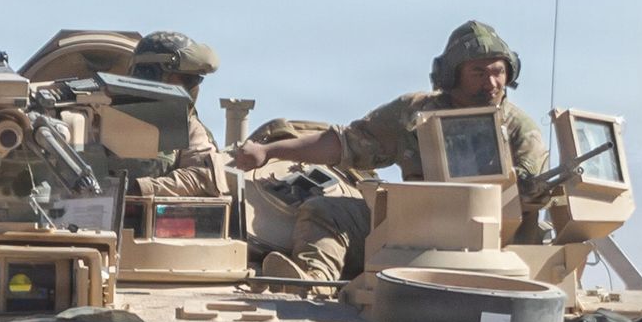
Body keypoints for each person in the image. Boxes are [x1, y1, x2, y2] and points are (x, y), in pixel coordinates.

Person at [234, 20, 549, 280]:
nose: (492, 83)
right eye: (479, 73)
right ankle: (313, 282)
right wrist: (271, 151)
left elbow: (527, 191)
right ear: (452, 76)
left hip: (486, 251)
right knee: (325, 210)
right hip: (412, 231)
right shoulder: (414, 112)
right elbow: (343, 144)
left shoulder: (520, 129)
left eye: (498, 71)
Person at [125, 31, 226, 198]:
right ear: (151, 74)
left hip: (151, 221)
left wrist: (140, 189)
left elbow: (201, 177)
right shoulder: (95, 114)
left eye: (196, 81)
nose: (194, 88)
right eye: (187, 80)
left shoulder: (189, 126)